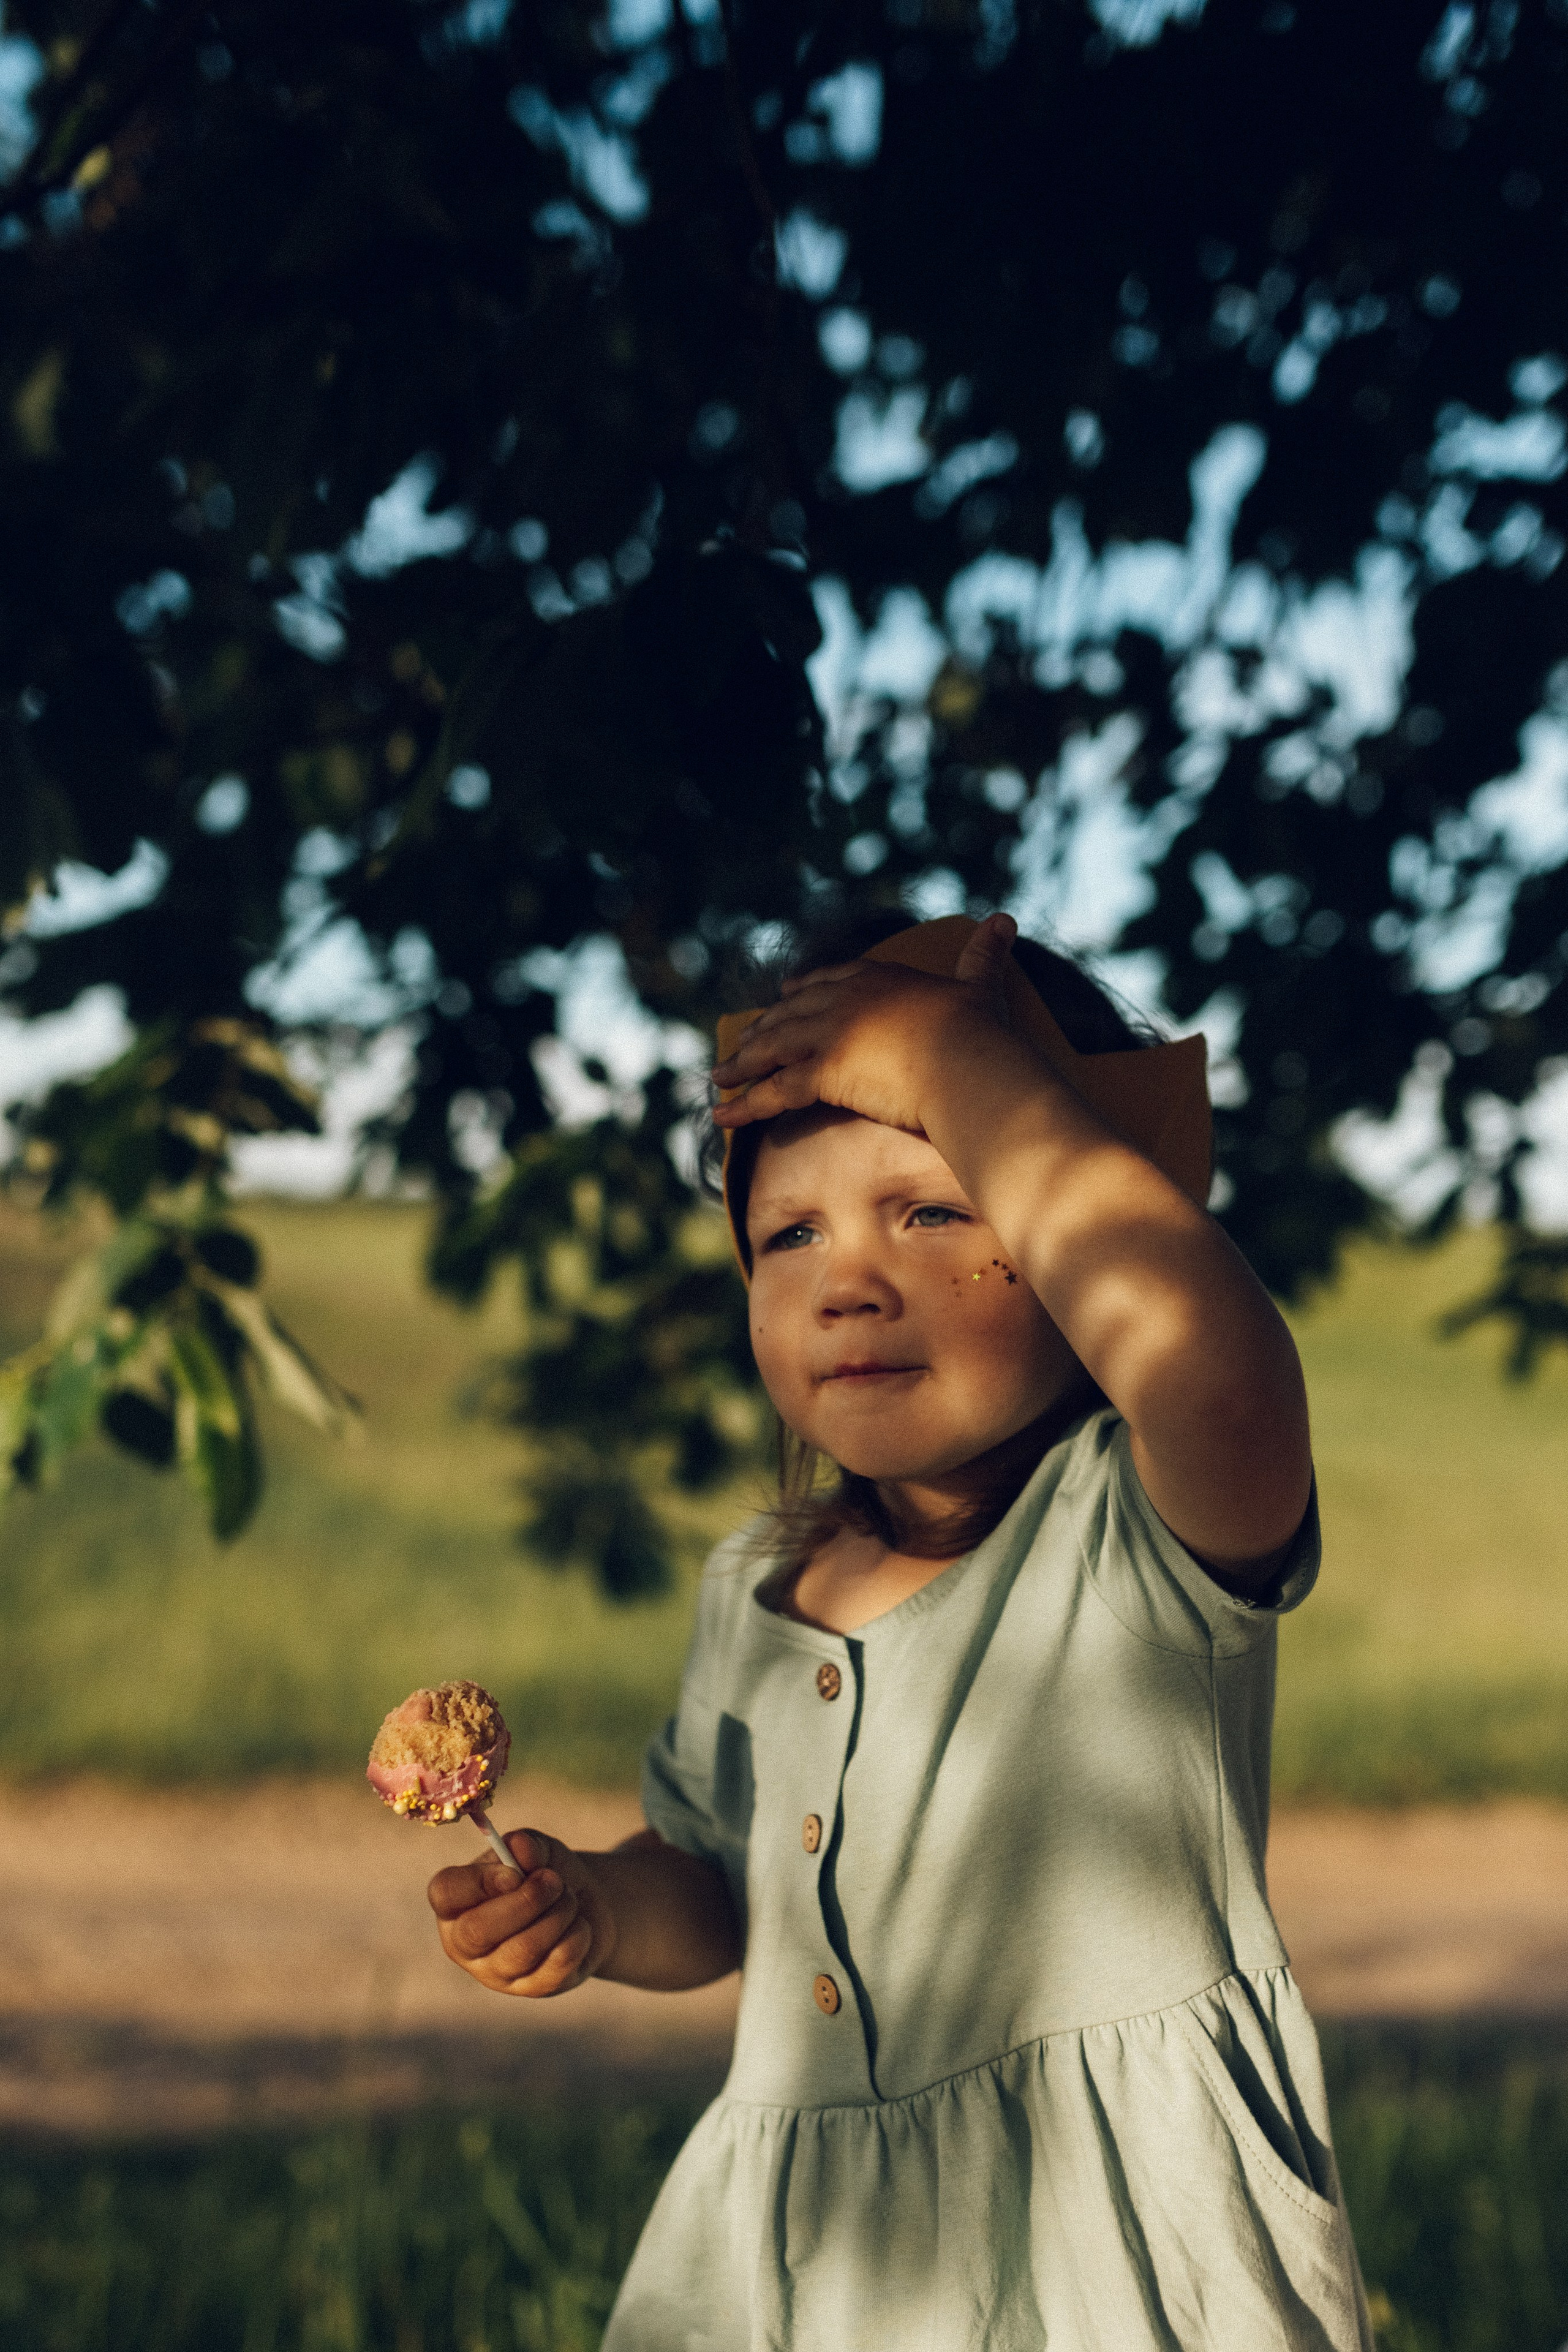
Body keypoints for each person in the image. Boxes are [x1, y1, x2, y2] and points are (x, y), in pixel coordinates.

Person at [426, 908, 1374, 2351]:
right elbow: (716, 1886)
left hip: (1108, 2262)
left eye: (934, 1206)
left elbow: (1212, 1364)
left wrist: (950, 1061)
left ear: (1076, 1234)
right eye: (787, 1232)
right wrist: (602, 1908)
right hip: (810, 2271)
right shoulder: (753, 1586)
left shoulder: (1140, 1535)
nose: (846, 1279)